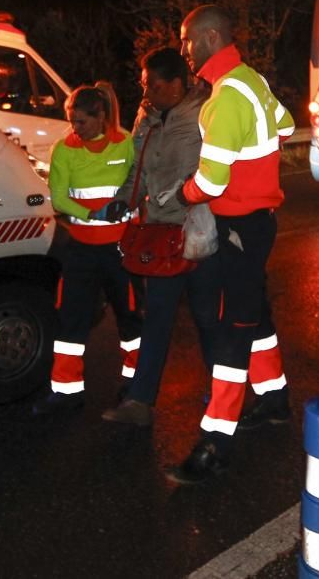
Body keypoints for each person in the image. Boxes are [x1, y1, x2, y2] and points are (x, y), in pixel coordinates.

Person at [165, 5, 296, 484]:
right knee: (254, 313)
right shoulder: (251, 81)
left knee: (233, 329)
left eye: (187, 39)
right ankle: (275, 399)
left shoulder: (223, 98)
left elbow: (212, 182)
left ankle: (215, 444)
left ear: (211, 36)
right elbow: (284, 126)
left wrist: (183, 193)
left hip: (239, 227)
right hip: (258, 223)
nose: (184, 49)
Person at [101, 48, 219, 426]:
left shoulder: (207, 111)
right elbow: (137, 167)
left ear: (176, 84)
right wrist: (123, 201)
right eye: (144, 82)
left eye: (152, 83)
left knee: (207, 317)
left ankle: (224, 397)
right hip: (160, 231)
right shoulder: (146, 115)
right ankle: (140, 402)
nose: (145, 89)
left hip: (199, 230)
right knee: (157, 318)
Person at [32, 82, 140, 415]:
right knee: (70, 322)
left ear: (101, 116)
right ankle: (66, 391)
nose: (74, 129)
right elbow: (60, 199)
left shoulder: (126, 145)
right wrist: (93, 213)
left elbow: (140, 184)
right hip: (81, 249)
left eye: (81, 121)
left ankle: (135, 386)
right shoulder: (64, 149)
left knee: (131, 321)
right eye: (72, 121)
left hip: (122, 250)